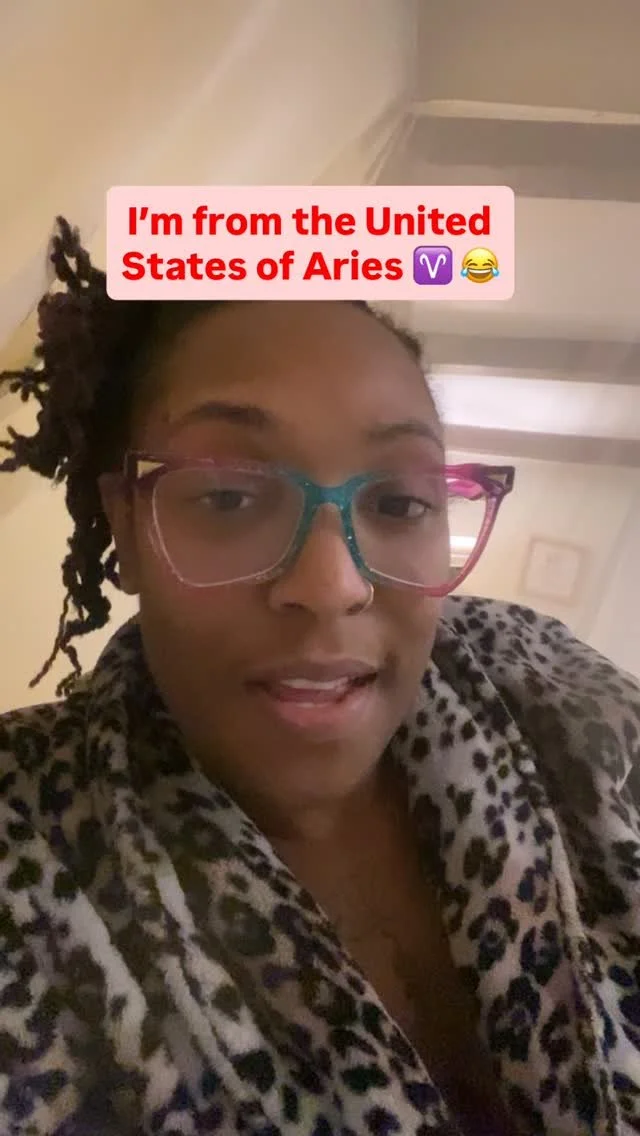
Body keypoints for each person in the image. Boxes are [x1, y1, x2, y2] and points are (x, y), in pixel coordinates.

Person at [0, 217, 638, 1136]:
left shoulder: (550, 686)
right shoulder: (26, 835)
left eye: (399, 501)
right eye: (230, 496)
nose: (333, 586)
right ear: (128, 527)